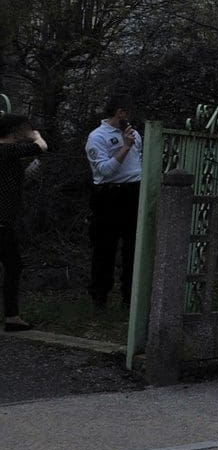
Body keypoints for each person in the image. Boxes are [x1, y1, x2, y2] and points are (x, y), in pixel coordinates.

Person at [83, 96, 143, 310]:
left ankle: (130, 297)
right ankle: (99, 297)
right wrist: (125, 147)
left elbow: (140, 161)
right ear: (120, 112)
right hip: (109, 196)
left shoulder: (134, 133)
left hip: (133, 192)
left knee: (133, 248)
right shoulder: (97, 137)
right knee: (104, 248)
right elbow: (105, 171)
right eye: (128, 111)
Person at [0, 112, 48, 331]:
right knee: (13, 266)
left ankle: (12, 316)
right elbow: (41, 147)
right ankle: (11, 317)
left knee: (12, 266)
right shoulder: (7, 149)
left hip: (5, 220)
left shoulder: (8, 153)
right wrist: (36, 135)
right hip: (2, 222)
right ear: (13, 131)